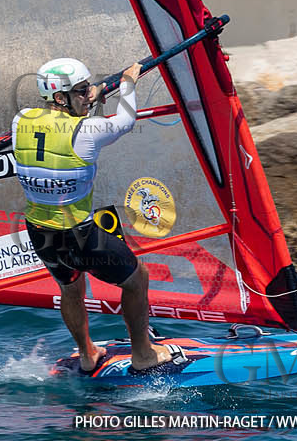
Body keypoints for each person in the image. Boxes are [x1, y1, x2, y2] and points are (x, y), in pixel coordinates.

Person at [12, 58, 181, 375]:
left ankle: (88, 353)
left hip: (39, 232)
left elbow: (63, 130)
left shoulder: (21, 120)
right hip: (79, 235)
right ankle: (143, 354)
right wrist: (128, 83)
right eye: (81, 90)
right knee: (136, 278)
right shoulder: (87, 130)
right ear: (61, 98)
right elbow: (124, 122)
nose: (87, 94)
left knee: (71, 288)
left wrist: (93, 98)